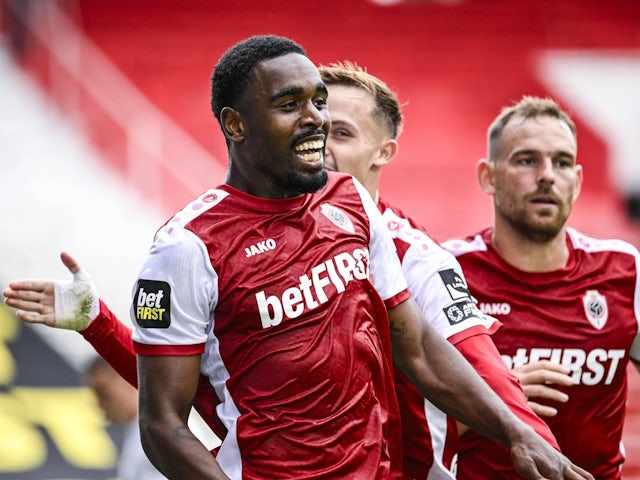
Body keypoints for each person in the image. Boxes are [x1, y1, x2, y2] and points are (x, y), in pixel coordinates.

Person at [2, 35, 592, 480]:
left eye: (321, 105)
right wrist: (98, 321)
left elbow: (422, 349)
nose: (313, 119)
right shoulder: (186, 247)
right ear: (235, 124)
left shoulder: (356, 207)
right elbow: (165, 419)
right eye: (292, 104)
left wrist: (517, 430)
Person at [318, 62, 558, 479]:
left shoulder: (414, 256)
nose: (320, 146)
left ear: (384, 151)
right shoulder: (247, 241)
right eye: (314, 129)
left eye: (341, 133)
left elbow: (474, 357)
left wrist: (527, 435)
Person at [440, 95, 640, 479]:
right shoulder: (446, 272)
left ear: (577, 181)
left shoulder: (624, 270)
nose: (547, 174)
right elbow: (401, 422)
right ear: (489, 176)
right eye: (527, 160)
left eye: (561, 162)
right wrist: (494, 401)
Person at [84, 355, 166, 480]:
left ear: (126, 379)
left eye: (103, 393)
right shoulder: (139, 434)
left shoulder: (158, 433)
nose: (99, 404)